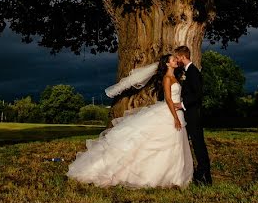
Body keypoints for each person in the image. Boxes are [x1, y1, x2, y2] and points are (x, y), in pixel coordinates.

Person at [67, 53, 194, 188]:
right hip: (170, 113)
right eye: (173, 59)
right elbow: (168, 99)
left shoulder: (175, 77)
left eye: (175, 59)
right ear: (167, 64)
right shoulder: (167, 78)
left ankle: (175, 176)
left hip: (176, 111)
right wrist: (175, 117)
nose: (176, 61)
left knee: (175, 144)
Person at [174, 45, 212, 185]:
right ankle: (202, 174)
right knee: (194, 144)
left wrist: (182, 105)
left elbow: (198, 94)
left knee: (198, 144)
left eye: (178, 58)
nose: (177, 60)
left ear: (183, 57)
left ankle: (203, 174)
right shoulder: (188, 71)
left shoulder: (193, 72)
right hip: (190, 113)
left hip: (193, 114)